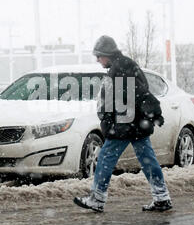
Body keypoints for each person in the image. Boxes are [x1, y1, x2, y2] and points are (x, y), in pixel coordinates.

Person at [73, 35, 172, 213]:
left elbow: (139, 94)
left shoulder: (120, 68)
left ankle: (97, 198)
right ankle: (161, 197)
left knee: (105, 159)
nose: (97, 60)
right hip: (135, 124)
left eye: (99, 56)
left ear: (107, 54)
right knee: (147, 160)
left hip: (125, 125)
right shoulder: (123, 65)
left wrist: (154, 111)